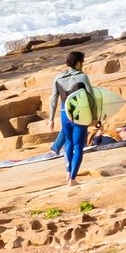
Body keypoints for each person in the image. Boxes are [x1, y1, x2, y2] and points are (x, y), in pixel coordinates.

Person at [49, 51, 92, 187]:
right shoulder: (82, 77)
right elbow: (91, 99)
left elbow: (53, 100)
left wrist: (51, 119)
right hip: (79, 114)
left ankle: (68, 172)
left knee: (68, 143)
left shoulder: (58, 78)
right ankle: (72, 180)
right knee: (78, 145)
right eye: (83, 62)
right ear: (78, 63)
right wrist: (95, 118)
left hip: (64, 115)